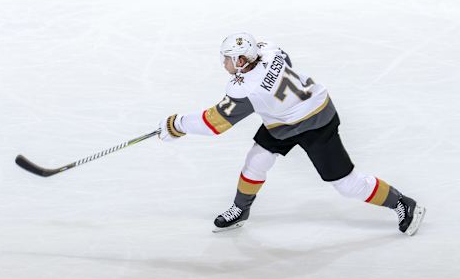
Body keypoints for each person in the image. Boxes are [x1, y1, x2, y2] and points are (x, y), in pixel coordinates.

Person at [158, 32, 426, 235]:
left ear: (241, 60)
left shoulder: (246, 89)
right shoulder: (269, 50)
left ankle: (402, 202)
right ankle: (241, 208)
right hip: (284, 121)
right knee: (256, 160)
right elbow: (284, 60)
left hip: (317, 122)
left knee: (348, 185)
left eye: (227, 58)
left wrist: (177, 124)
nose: (224, 62)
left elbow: (215, 123)